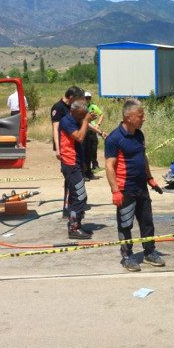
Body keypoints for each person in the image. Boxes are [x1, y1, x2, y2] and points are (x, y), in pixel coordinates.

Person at [105, 99, 165, 272]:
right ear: (128, 117)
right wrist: (115, 191)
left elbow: (143, 157)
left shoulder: (139, 134)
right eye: (140, 116)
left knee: (147, 222)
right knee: (125, 224)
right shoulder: (114, 138)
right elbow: (109, 166)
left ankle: (149, 252)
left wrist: (150, 178)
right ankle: (127, 256)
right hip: (125, 190)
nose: (143, 119)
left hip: (141, 187)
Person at [58, 99, 96, 239]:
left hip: (76, 162)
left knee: (76, 195)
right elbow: (79, 137)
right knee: (79, 196)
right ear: (72, 111)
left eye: (83, 114)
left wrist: (84, 163)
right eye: (80, 115)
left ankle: (75, 224)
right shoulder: (66, 121)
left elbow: (78, 144)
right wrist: (85, 121)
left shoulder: (76, 119)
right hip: (70, 163)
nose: (81, 117)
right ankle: (74, 228)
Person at [51, 86, 85, 217]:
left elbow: (82, 124)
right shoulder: (58, 108)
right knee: (70, 181)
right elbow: (56, 129)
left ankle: (72, 208)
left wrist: (100, 132)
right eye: (78, 100)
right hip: (66, 150)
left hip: (75, 149)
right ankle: (67, 208)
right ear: (71, 98)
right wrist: (58, 149)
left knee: (76, 182)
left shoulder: (74, 109)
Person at [82, 92, 106, 180]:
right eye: (86, 98)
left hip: (92, 130)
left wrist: (98, 125)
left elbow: (101, 114)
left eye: (89, 98)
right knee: (84, 152)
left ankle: (90, 171)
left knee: (91, 150)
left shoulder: (92, 107)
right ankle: (84, 173)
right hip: (84, 131)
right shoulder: (81, 108)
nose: (87, 99)